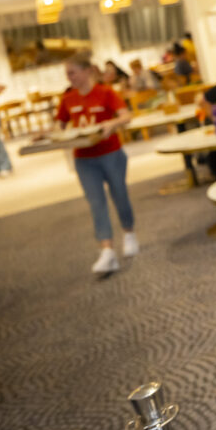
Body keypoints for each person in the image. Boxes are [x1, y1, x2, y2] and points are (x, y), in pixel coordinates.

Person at [54, 53, 139, 275]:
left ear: (87, 71)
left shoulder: (106, 93)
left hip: (110, 153)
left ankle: (129, 232)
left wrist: (113, 122)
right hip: (84, 158)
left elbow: (126, 116)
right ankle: (107, 250)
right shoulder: (68, 99)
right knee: (96, 203)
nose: (69, 77)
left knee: (119, 194)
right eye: (67, 74)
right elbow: (59, 126)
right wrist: (46, 135)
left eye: (72, 72)